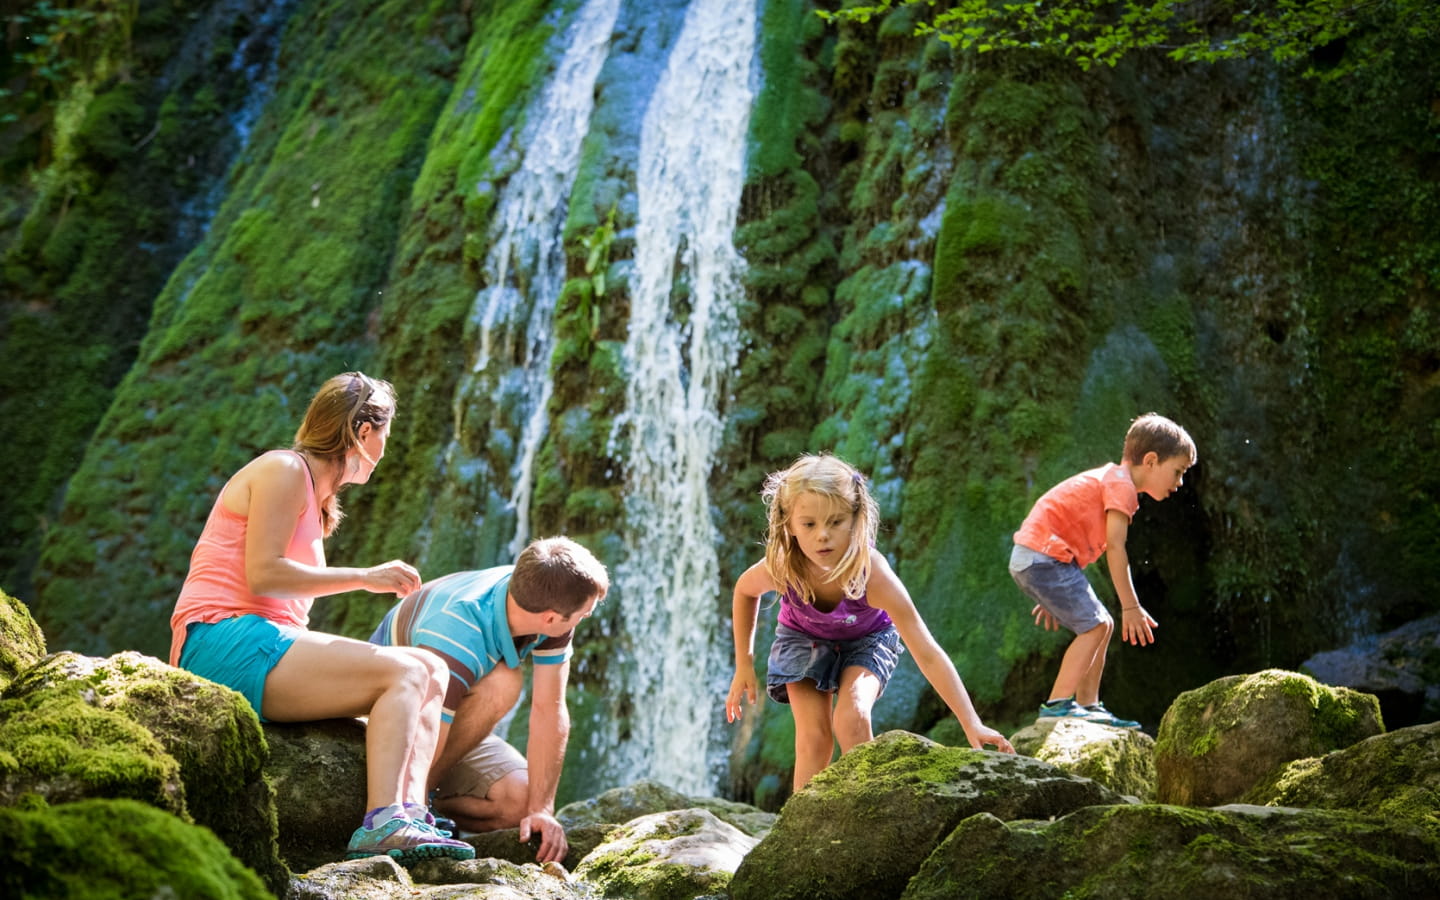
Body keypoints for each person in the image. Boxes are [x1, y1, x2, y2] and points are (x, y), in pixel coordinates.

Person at [168, 371, 474, 863]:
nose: (384, 450)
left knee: (432, 669)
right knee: (406, 670)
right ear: (362, 432)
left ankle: (411, 813)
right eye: (385, 438)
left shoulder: (316, 497)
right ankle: (382, 822)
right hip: (221, 640)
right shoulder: (284, 470)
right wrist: (365, 576)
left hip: (266, 642)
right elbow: (264, 574)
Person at [725, 454, 1014, 792]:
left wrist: (971, 722)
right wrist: (743, 663)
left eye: (836, 522)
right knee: (813, 739)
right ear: (788, 524)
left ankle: (865, 804)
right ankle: (802, 829)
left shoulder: (872, 573)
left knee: (852, 716)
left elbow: (927, 651)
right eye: (809, 524)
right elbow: (745, 591)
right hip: (802, 638)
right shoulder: (783, 565)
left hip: (868, 639)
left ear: (856, 518)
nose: (822, 536)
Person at [369, 536, 608, 865]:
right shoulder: (459, 630)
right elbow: (426, 726)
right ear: (551, 618)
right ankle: (409, 811)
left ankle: (431, 804)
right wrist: (411, 806)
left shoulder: (542, 595)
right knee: (503, 682)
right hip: (395, 726)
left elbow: (549, 708)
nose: (583, 619)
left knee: (523, 805)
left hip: (452, 720)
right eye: (582, 615)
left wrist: (542, 810)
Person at [1009, 412, 1197, 729]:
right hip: (1042, 559)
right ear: (1151, 461)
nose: (1180, 483)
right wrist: (1130, 605)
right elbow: (1116, 547)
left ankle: (1088, 705)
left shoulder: (1113, 481)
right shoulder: (1121, 487)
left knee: (1102, 624)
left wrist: (1050, 595)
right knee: (1095, 625)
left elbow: (1067, 527)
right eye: (1178, 472)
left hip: (1039, 559)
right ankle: (1057, 705)